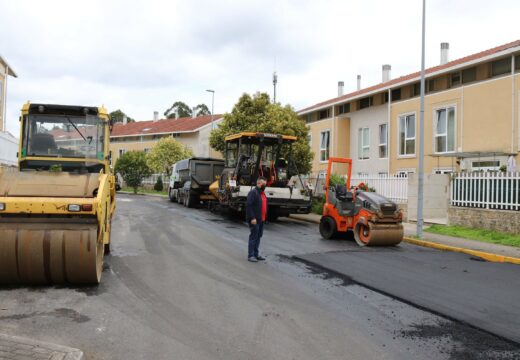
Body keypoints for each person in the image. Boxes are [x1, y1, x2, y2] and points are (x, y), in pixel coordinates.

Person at [246, 176, 267, 262]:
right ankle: (251, 255)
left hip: (261, 219)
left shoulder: (262, 193)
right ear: (259, 183)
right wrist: (252, 218)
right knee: (253, 237)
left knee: (258, 236)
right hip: (255, 219)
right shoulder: (253, 193)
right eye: (264, 184)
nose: (265, 185)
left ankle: (256, 254)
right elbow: (249, 206)